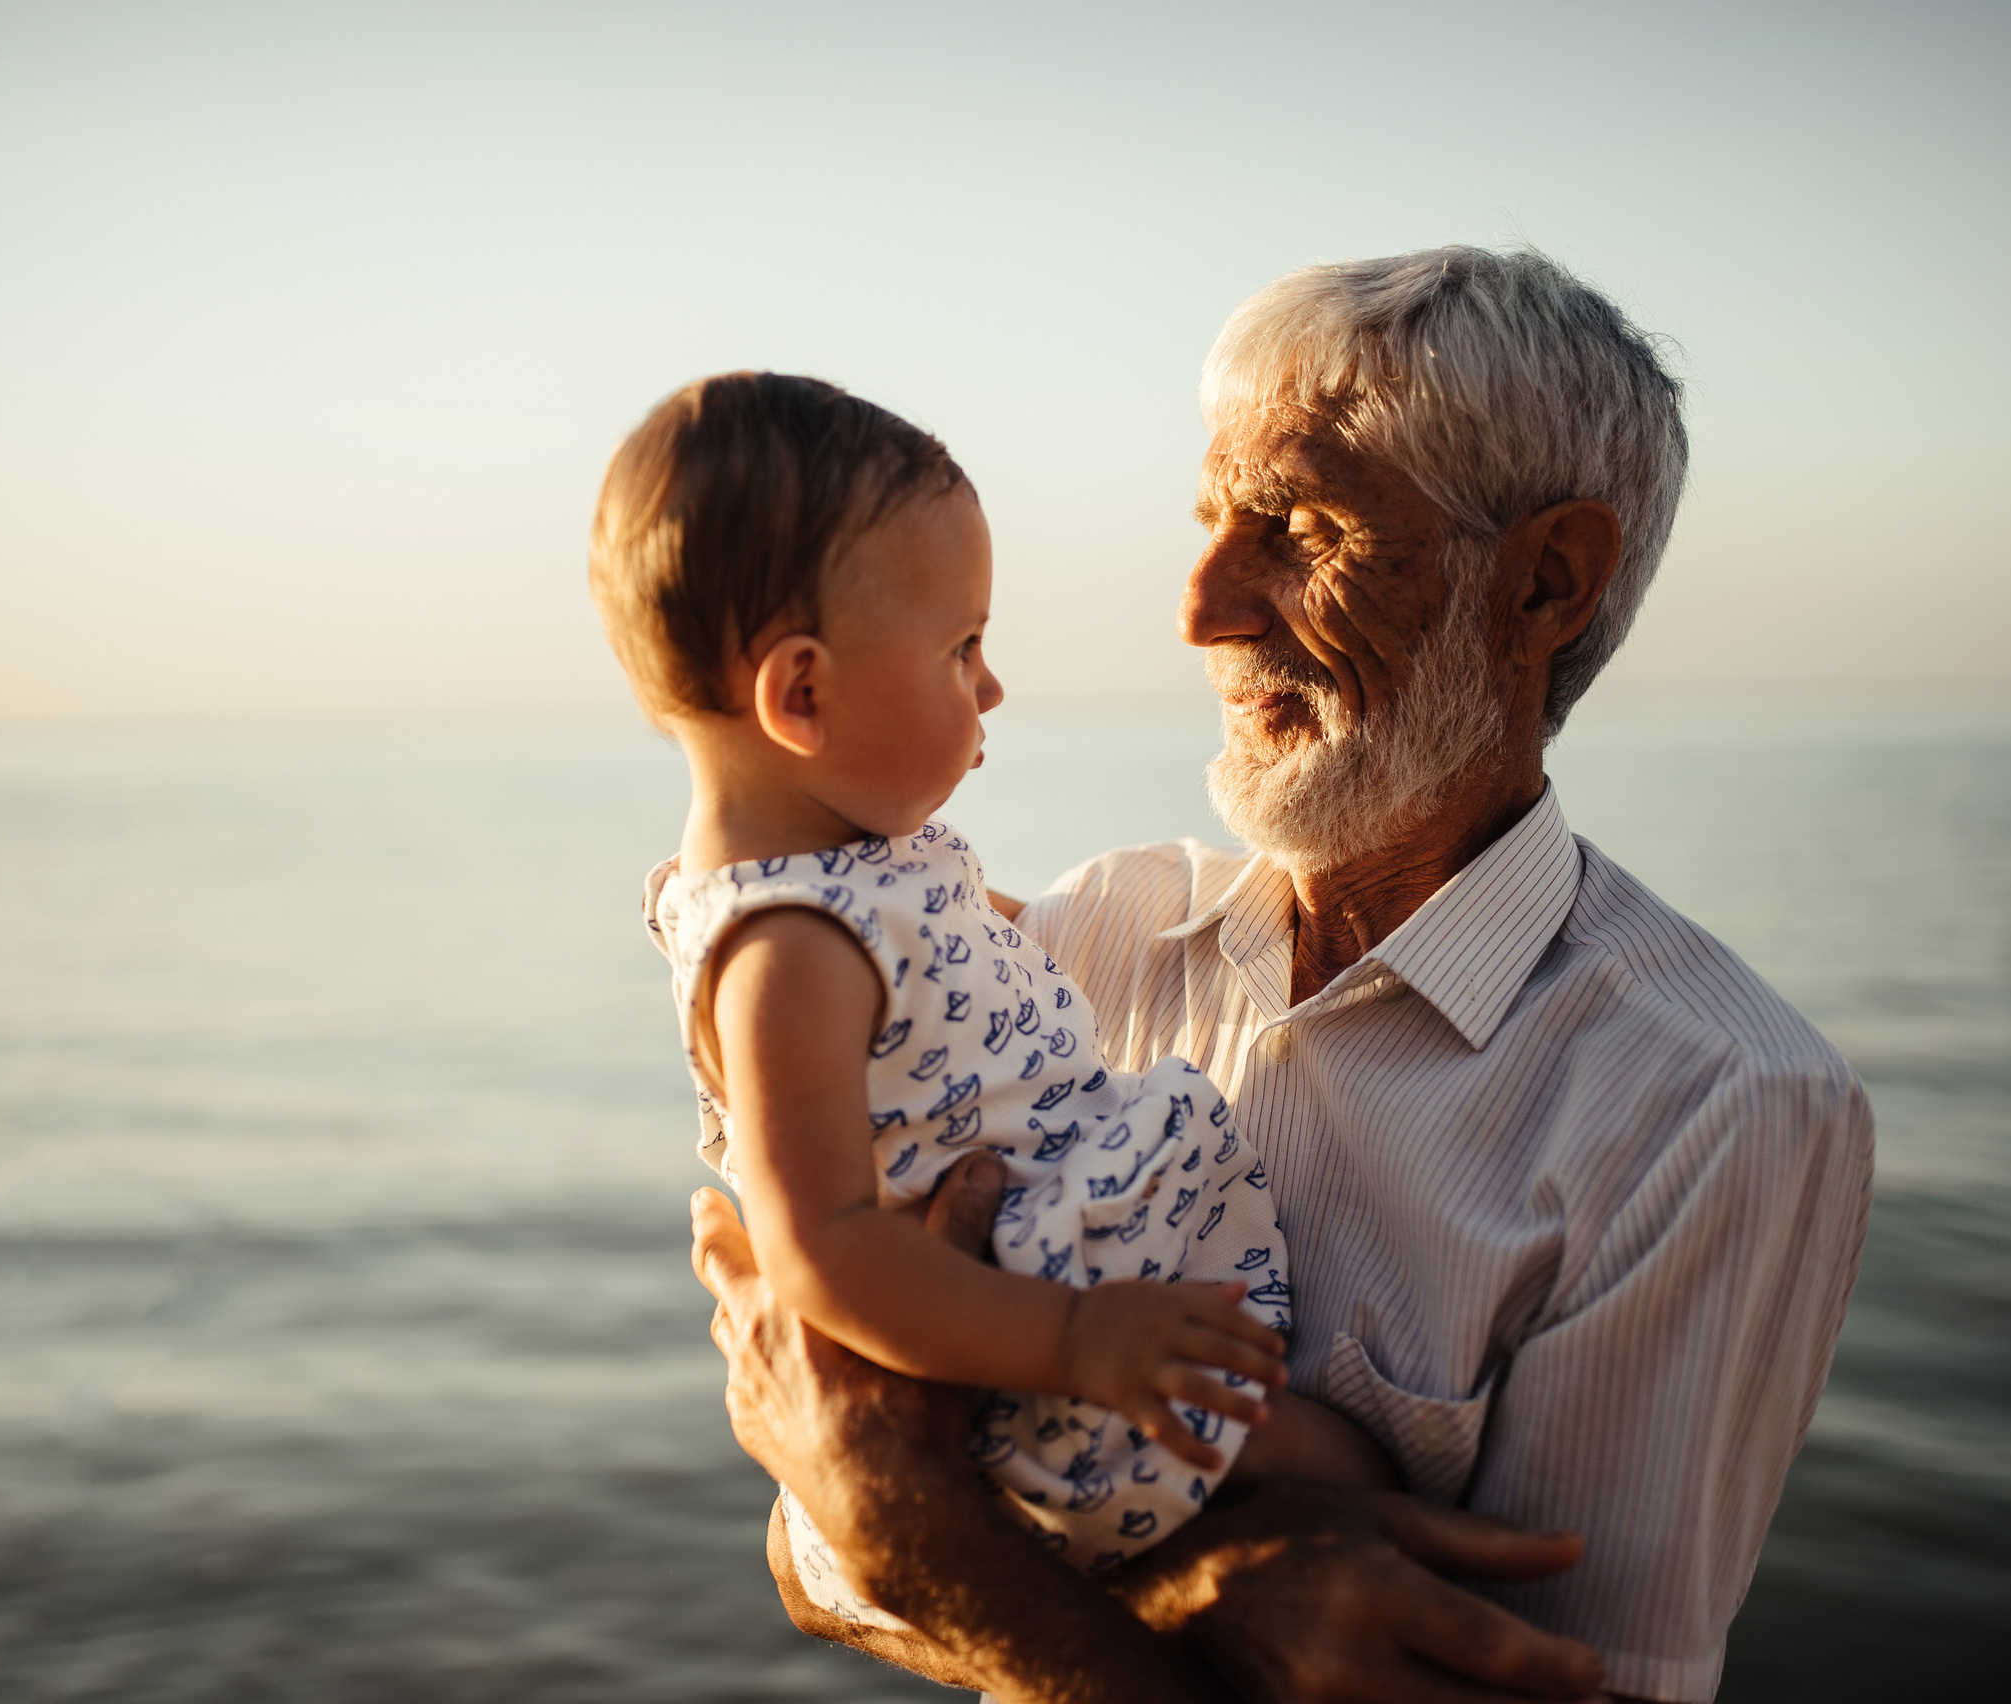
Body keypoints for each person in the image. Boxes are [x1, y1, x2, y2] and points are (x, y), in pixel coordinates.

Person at [690, 247, 1877, 1703]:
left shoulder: (1721, 1110)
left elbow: (868, 1506)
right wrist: (1191, 1594)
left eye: (1299, 529)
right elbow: (811, 1542)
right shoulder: (1085, 943)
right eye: (1207, 523)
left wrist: (919, 1523)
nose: (1202, 608)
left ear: (1548, 582)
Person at [595, 375, 1407, 1630]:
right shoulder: (784, 953)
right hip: (1034, 1350)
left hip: (1077, 1290)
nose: (990, 689)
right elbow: (824, 1253)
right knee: (1352, 1483)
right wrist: (1073, 1345)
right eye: (960, 649)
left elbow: (959, 981)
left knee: (1336, 1506)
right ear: (800, 697)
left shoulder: (853, 870)